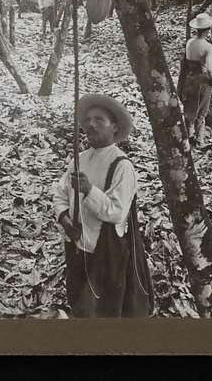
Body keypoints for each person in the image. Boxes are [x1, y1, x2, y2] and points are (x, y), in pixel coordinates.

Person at [51, 94, 153, 318]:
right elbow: (59, 192)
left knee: (103, 309)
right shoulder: (79, 159)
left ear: (114, 127)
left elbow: (116, 212)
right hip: (77, 246)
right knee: (78, 300)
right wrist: (65, 219)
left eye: (99, 120)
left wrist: (89, 191)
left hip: (105, 252)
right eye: (87, 120)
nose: (90, 124)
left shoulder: (122, 166)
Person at [181, 13, 212, 146]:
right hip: (202, 81)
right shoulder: (208, 47)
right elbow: (210, 67)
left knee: (190, 108)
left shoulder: (190, 42)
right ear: (208, 30)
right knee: (202, 112)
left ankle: (189, 135)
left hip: (189, 79)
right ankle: (199, 140)